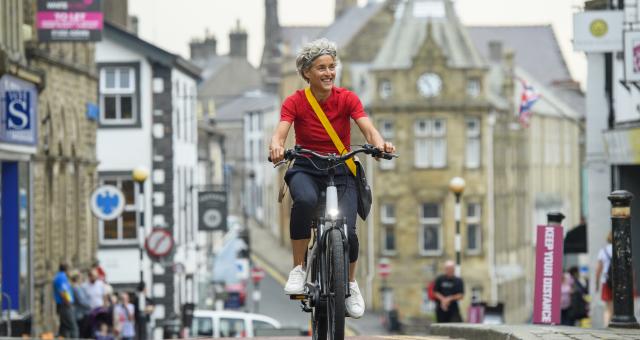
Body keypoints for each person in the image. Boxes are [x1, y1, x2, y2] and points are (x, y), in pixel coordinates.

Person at [269, 38, 395, 319]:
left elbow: (368, 128)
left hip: (341, 169)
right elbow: (281, 131)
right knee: (304, 201)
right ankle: (299, 268)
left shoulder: (347, 98)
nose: (328, 73)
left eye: (331, 67)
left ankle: (350, 283)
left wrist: (380, 144)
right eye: (321, 68)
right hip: (306, 166)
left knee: (349, 232)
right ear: (307, 73)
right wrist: (277, 145)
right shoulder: (296, 101)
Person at [52, 263, 79, 338]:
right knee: (73, 327)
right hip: (65, 305)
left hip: (63, 305)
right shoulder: (61, 277)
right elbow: (63, 292)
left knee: (64, 329)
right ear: (67, 270)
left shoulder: (61, 277)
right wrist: (68, 303)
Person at [595, 231, 613, 326]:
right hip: (620, 283)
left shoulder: (603, 251)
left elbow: (598, 269)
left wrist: (597, 283)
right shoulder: (622, 249)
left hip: (606, 281)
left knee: (608, 307)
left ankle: (606, 327)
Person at [70, 270, 92, 337]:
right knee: (82, 334)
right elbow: (81, 301)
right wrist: (90, 305)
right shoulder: (76, 288)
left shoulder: (78, 287)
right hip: (80, 314)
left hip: (80, 313)